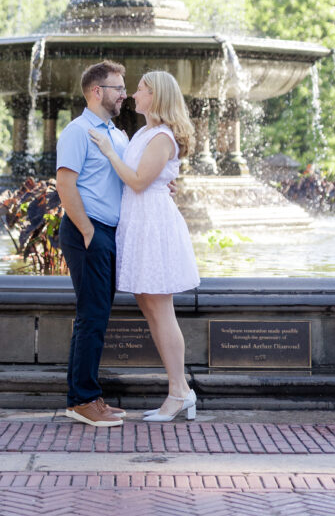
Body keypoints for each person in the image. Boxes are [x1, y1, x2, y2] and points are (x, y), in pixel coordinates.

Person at [89, 70, 200, 422]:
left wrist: (108, 149)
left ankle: (180, 392)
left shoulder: (162, 136)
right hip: (141, 222)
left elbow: (137, 182)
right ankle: (179, 390)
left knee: (160, 309)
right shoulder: (147, 132)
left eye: (141, 89)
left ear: (157, 96)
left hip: (153, 225)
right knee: (150, 308)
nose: (134, 95)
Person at [56, 60, 130, 428]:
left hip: (108, 233)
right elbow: (65, 186)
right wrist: (88, 233)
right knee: (92, 316)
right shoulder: (78, 131)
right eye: (118, 87)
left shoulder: (117, 135)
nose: (125, 94)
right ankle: (82, 399)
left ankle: (86, 396)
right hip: (88, 231)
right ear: (97, 91)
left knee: (97, 316)